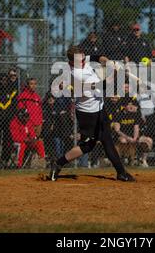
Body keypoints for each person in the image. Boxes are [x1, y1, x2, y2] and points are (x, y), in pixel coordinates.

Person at [49, 45, 135, 182]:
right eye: (80, 61)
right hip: (88, 114)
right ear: (72, 62)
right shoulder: (76, 74)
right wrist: (115, 73)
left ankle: (121, 172)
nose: (84, 62)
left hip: (100, 109)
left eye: (84, 59)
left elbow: (96, 57)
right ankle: (58, 163)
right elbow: (103, 85)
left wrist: (107, 62)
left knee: (107, 141)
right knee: (88, 146)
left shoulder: (81, 60)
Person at [112, 100, 152, 167]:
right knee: (123, 141)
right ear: (124, 106)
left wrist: (134, 138)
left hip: (133, 136)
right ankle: (124, 160)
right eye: (128, 105)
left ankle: (143, 161)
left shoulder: (135, 114)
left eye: (132, 105)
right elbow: (117, 130)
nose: (131, 106)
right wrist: (128, 138)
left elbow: (136, 128)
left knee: (148, 140)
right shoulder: (118, 115)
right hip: (123, 136)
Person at [0, 72, 18, 168]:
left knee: (8, 140)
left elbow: (14, 105)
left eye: (6, 80)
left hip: (8, 119)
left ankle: (5, 160)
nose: (4, 82)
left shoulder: (12, 90)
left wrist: (11, 116)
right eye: (2, 80)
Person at [17, 78, 45, 158]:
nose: (33, 86)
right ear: (27, 85)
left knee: (36, 143)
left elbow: (40, 110)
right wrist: (27, 123)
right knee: (29, 143)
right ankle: (24, 161)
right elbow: (21, 111)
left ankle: (32, 162)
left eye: (35, 84)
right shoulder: (23, 95)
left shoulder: (36, 96)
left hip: (38, 124)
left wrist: (40, 122)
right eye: (31, 84)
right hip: (29, 124)